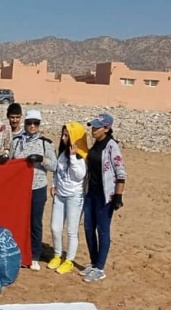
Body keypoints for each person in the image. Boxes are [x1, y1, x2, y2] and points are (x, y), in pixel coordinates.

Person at [82, 113, 126, 282]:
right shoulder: (95, 145)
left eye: (97, 127)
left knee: (103, 230)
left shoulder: (111, 146)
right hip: (90, 193)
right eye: (93, 126)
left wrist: (118, 196)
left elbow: (121, 172)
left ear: (106, 129)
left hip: (105, 195)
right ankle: (93, 263)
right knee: (88, 228)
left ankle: (100, 268)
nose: (93, 130)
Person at [11, 109, 57, 270]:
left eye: (35, 123)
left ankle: (35, 255)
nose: (32, 126)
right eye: (29, 123)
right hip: (19, 188)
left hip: (37, 186)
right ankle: (18, 251)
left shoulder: (46, 143)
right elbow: (11, 162)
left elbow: (54, 165)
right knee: (19, 220)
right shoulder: (16, 141)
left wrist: (41, 159)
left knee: (35, 222)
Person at [47, 123, 89, 275]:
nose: (64, 138)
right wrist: (54, 185)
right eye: (63, 135)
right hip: (60, 195)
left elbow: (79, 175)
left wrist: (73, 156)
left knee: (72, 230)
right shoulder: (62, 154)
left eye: (67, 136)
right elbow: (58, 171)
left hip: (74, 197)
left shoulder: (81, 157)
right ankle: (57, 255)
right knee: (55, 227)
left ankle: (69, 260)